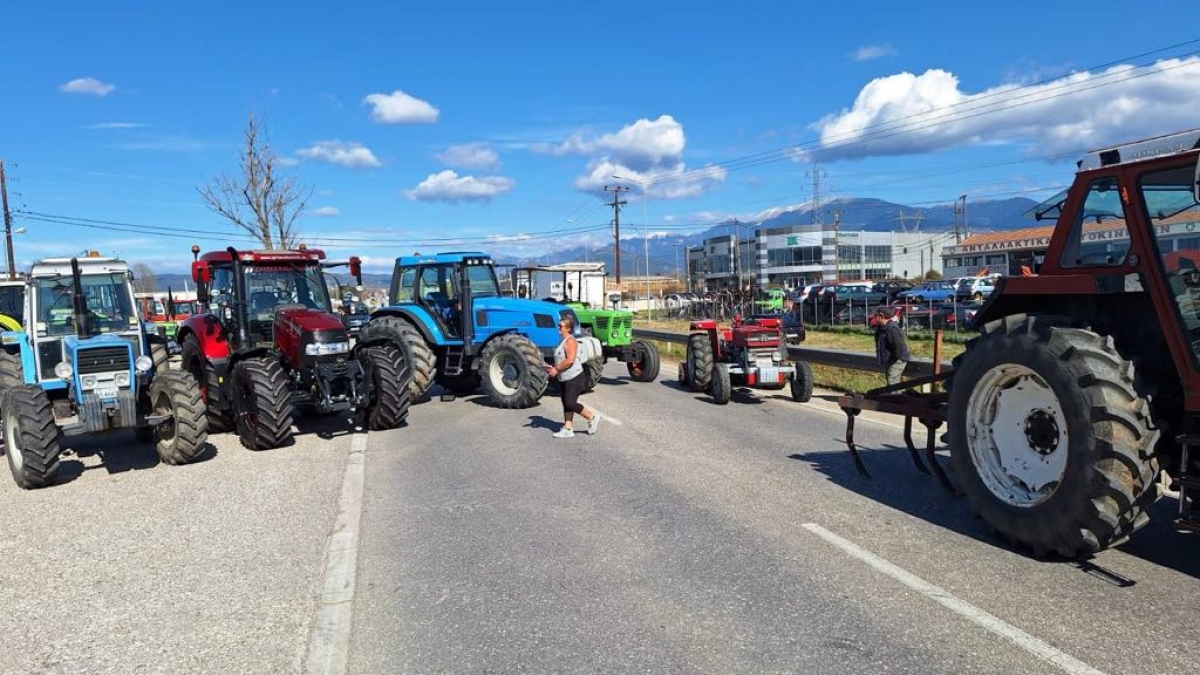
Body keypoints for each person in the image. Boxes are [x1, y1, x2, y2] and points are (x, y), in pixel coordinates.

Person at [545, 316, 599, 438]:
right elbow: (563, 359)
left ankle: (592, 417)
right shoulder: (562, 341)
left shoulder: (571, 341)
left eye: (561, 326)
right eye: (558, 325)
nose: (558, 328)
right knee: (565, 402)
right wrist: (552, 367)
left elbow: (570, 361)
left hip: (575, 378)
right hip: (565, 378)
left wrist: (556, 369)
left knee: (570, 403)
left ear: (568, 328)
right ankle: (568, 428)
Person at [874, 306, 910, 386]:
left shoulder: (892, 329)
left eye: (876, 315)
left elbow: (898, 346)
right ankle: (894, 397)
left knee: (892, 382)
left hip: (897, 360)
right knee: (890, 380)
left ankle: (895, 398)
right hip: (891, 360)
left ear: (882, 316)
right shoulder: (882, 328)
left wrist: (894, 359)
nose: (874, 317)